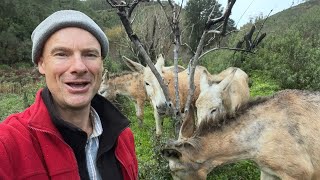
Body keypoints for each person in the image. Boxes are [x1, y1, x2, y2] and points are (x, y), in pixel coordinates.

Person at [0, 10, 138, 180]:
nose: (79, 67)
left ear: (101, 64)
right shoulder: (7, 144)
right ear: (41, 63)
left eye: (90, 54)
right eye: (62, 54)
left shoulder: (123, 138)